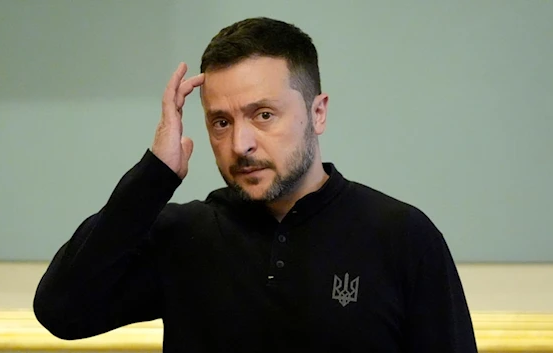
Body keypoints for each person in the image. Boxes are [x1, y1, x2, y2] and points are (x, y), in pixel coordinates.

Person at [33, 17, 478, 352]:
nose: (240, 143)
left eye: (263, 115)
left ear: (317, 113)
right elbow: (62, 311)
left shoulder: (401, 236)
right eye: (221, 122)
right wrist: (153, 176)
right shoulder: (183, 234)